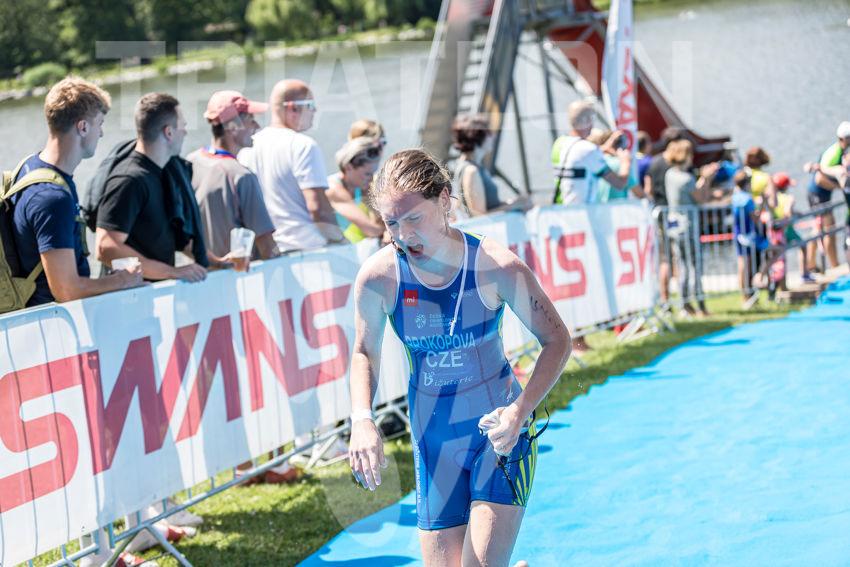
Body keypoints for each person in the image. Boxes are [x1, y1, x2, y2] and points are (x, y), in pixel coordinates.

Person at [348, 149, 571, 566]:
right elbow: (364, 352)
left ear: (444, 201)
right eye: (392, 223)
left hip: (499, 436)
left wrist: (519, 412)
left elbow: (557, 340)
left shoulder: (497, 267)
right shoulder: (379, 277)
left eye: (414, 219)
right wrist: (362, 418)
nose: (403, 235)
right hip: (433, 446)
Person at [7, 77, 142, 307]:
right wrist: (123, 280)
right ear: (83, 127)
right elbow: (66, 290)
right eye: (100, 123)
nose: (101, 133)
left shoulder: (30, 167)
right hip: (50, 322)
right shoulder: (52, 197)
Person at [95, 93, 208, 282]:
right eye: (183, 126)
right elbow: (106, 246)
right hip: (133, 295)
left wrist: (214, 261)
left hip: (156, 291)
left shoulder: (165, 171)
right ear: (169, 132)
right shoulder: (129, 179)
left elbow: (168, 236)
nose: (185, 133)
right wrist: (172, 272)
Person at [238, 79, 345, 252]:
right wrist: (341, 240)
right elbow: (318, 209)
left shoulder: (246, 149)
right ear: (293, 108)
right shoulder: (303, 145)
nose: (315, 111)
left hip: (272, 251)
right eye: (310, 105)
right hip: (310, 248)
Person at [187, 90, 279, 262]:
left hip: (204, 272)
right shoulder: (242, 176)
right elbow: (267, 247)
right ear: (233, 127)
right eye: (251, 120)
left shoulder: (190, 162)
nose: (257, 126)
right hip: (241, 274)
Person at [664, 140, 716, 316]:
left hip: (674, 226)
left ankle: (684, 304)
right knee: (695, 267)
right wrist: (706, 179)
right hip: (687, 226)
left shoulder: (670, 174)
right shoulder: (686, 179)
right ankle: (699, 305)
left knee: (682, 266)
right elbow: (701, 199)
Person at [551, 100, 632, 205]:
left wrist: (603, 148)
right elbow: (619, 184)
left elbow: (578, 157)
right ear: (588, 121)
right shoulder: (589, 150)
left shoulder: (559, 143)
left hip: (561, 210)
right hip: (582, 212)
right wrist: (625, 162)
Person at [451, 113, 530, 217]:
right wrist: (515, 206)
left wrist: (515, 203)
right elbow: (479, 215)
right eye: (489, 133)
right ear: (477, 136)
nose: (493, 136)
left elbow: (489, 207)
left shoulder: (472, 166)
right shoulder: (471, 171)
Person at [645, 127, 687, 307]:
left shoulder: (654, 162)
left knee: (666, 258)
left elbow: (648, 189)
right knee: (677, 258)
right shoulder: (676, 163)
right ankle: (679, 300)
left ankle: (666, 299)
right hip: (674, 215)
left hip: (659, 214)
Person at [804, 121, 850, 272]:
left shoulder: (841, 150)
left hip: (821, 193)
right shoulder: (834, 154)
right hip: (818, 193)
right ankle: (834, 265)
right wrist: (839, 187)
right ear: (843, 139)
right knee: (828, 228)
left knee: (818, 228)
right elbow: (819, 179)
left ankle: (811, 264)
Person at [327, 136, 385, 243]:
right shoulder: (333, 189)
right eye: (367, 174)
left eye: (373, 173)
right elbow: (372, 230)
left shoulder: (362, 185)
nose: (371, 179)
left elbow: (382, 221)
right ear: (348, 167)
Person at [731, 169, 767, 308]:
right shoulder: (747, 199)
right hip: (748, 235)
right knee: (749, 265)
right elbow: (755, 218)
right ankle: (753, 289)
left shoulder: (735, 196)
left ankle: (745, 296)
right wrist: (762, 204)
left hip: (738, 234)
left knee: (743, 265)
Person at [589, 128, 645, 203]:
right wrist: (626, 163)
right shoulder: (622, 165)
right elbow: (638, 193)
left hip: (595, 208)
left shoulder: (594, 161)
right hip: (616, 209)